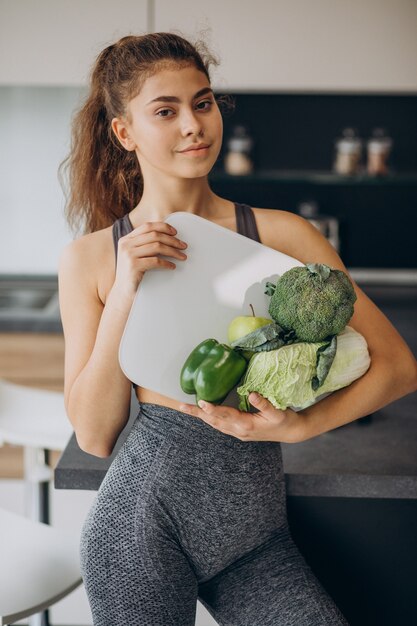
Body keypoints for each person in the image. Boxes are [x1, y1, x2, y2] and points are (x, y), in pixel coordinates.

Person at [58, 32, 417, 626]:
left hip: (253, 540)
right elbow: (95, 435)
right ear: (125, 134)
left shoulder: (285, 237)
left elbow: (399, 368)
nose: (193, 126)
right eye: (165, 112)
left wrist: (303, 427)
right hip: (142, 531)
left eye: (203, 103)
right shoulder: (92, 260)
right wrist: (125, 288)